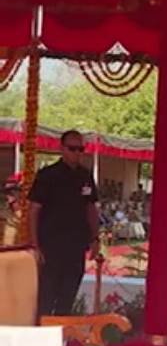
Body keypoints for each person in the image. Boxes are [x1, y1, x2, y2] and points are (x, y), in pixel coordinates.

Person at [28, 130, 100, 316]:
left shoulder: (85, 176)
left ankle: (61, 331)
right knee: (46, 297)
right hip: (50, 247)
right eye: (72, 148)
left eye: (80, 149)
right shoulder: (47, 175)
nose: (77, 153)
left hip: (76, 247)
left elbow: (91, 208)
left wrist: (95, 238)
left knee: (67, 298)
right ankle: (41, 332)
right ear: (62, 148)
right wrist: (35, 245)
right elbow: (34, 210)